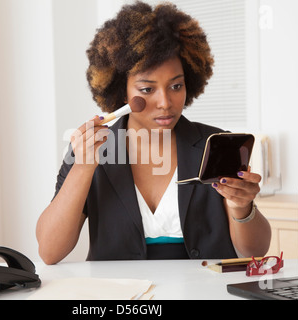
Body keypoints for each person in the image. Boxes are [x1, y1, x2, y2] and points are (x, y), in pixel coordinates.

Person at [36, 1, 271, 265]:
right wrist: (82, 168)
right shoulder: (90, 150)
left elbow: (255, 252)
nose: (165, 102)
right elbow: (49, 251)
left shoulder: (214, 145)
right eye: (147, 89)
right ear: (121, 90)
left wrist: (242, 208)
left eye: (176, 85)